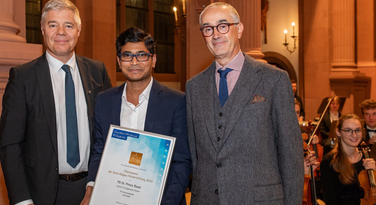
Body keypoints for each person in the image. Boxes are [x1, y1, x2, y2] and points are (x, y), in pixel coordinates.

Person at [185, 2, 303, 204]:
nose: (215, 34)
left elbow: (290, 155)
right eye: (207, 28)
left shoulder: (274, 79)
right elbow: (196, 155)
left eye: (223, 26)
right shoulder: (194, 87)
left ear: (239, 29)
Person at [0, 0, 112, 204]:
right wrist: (23, 201)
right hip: (42, 193)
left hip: (93, 189)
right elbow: (10, 145)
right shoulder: (23, 77)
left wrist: (97, 184)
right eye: (53, 25)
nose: (61, 32)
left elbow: (109, 133)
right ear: (43, 30)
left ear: (78, 30)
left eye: (68, 25)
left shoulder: (98, 71)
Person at [81, 27, 192, 205]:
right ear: (119, 61)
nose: (134, 62)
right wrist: (91, 188)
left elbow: (181, 162)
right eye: (127, 56)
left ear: (153, 60)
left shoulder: (176, 102)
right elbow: (99, 151)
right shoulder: (104, 100)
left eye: (142, 55)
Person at [320, 114, 376, 205]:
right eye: (348, 130)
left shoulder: (367, 157)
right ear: (338, 132)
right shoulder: (329, 161)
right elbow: (330, 201)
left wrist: (375, 172)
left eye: (358, 130)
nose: (354, 135)